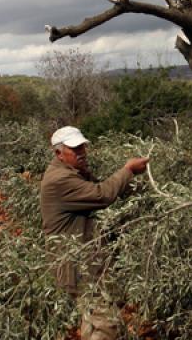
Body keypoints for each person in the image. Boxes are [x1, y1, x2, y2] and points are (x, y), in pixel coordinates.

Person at [40, 125, 149, 294]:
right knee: (103, 317)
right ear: (58, 154)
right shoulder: (59, 179)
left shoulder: (74, 172)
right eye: (75, 149)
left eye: (82, 147)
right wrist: (128, 171)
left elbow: (108, 190)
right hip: (79, 270)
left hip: (86, 265)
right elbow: (102, 195)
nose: (82, 152)